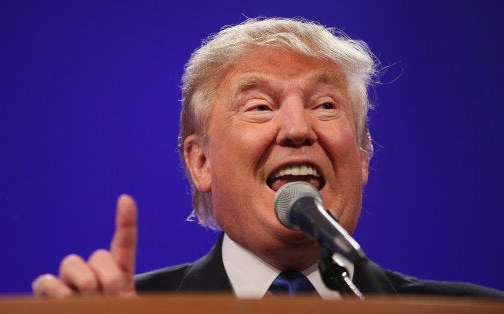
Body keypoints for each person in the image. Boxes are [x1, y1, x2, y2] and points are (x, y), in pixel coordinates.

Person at [31, 17, 503, 299]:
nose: (299, 130)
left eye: (325, 105)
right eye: (259, 107)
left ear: (362, 158)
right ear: (201, 163)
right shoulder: (135, 308)